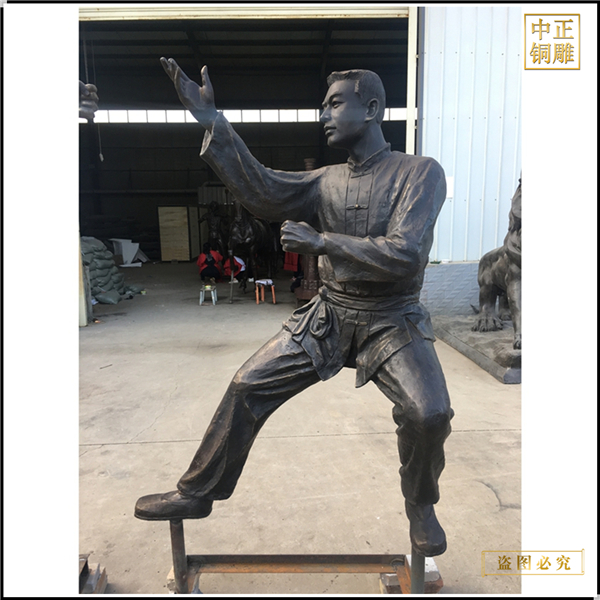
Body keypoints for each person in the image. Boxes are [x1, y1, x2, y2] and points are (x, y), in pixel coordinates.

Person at [135, 59, 453, 557]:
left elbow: (406, 253)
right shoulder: (324, 180)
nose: (323, 115)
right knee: (247, 385)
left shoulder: (420, 173)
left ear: (371, 109)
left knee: (429, 413)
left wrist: (323, 241)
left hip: (393, 319)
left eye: (334, 104)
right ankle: (197, 493)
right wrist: (213, 121)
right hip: (329, 315)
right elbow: (263, 189)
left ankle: (421, 504)